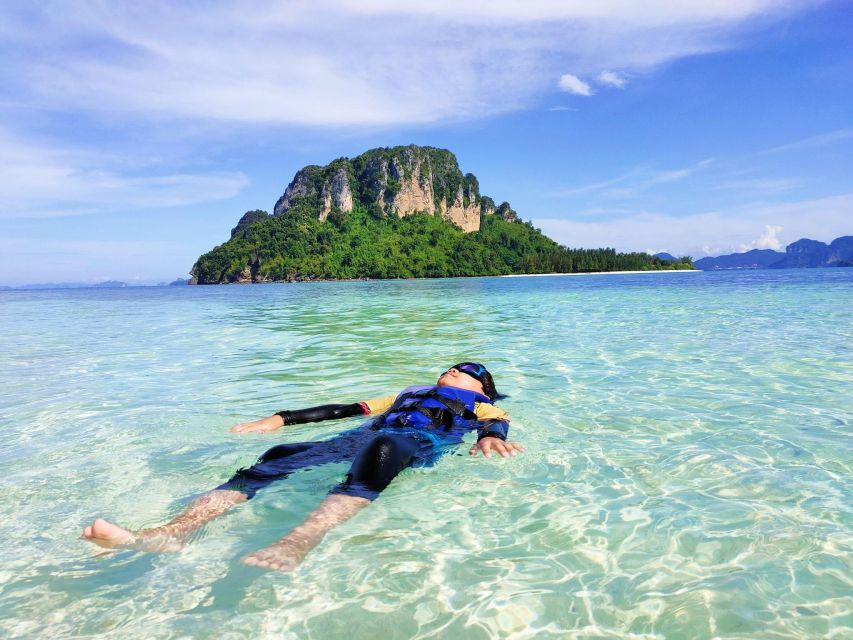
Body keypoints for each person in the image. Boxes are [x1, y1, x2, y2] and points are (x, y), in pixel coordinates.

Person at [82, 362, 523, 571]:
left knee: (384, 447)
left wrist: (488, 439)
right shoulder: (406, 392)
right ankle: (170, 533)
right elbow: (345, 409)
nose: (452, 370)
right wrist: (281, 418)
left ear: (482, 386)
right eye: (449, 365)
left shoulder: (479, 406)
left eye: (466, 369)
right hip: (360, 435)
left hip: (415, 443)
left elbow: (498, 423)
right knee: (277, 458)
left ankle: (298, 543)